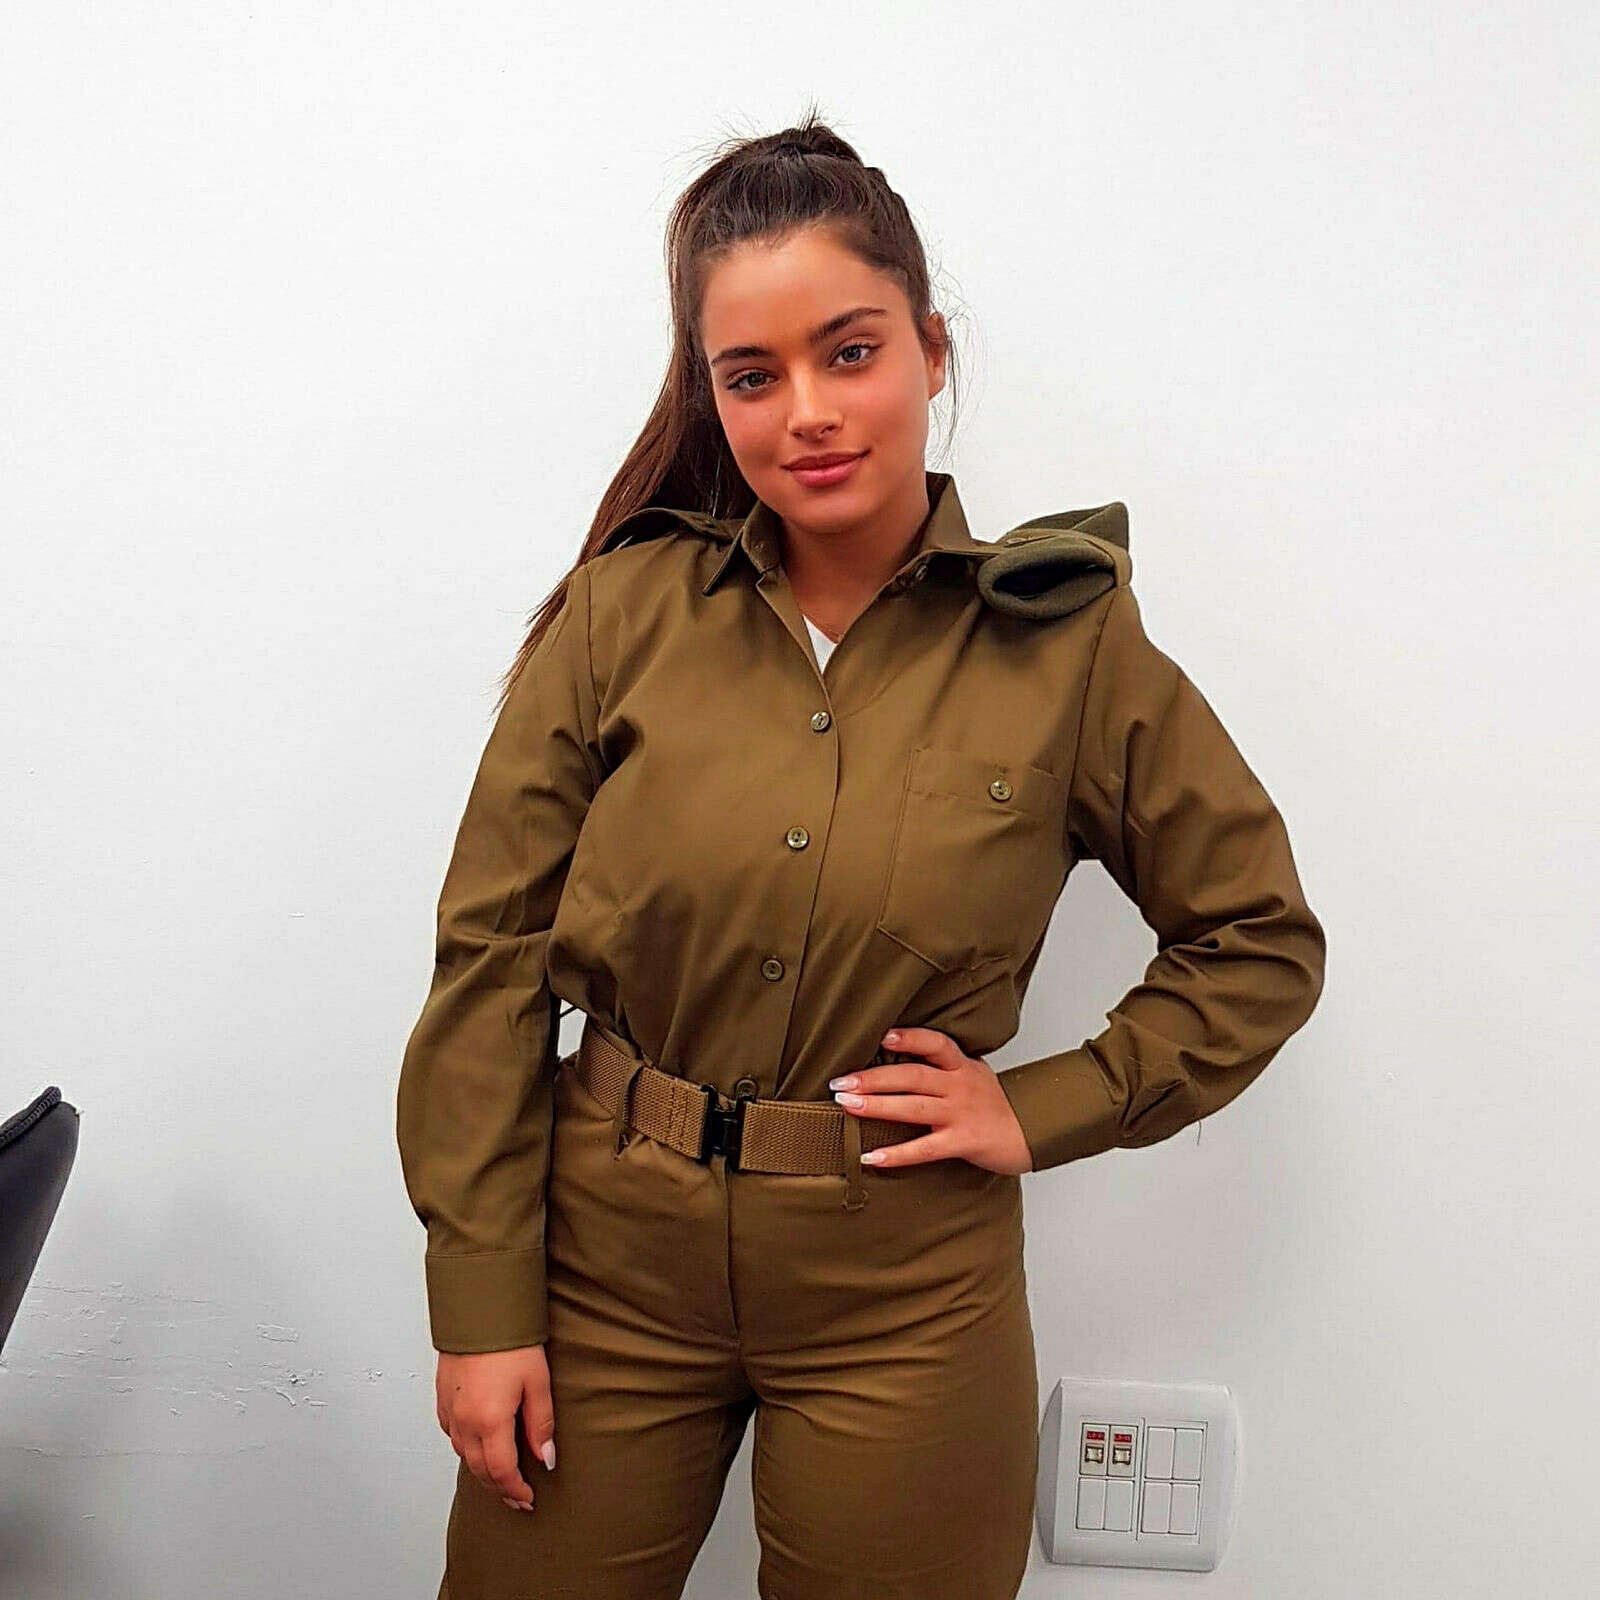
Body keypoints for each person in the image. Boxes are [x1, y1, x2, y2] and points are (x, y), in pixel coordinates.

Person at [395, 112, 1327, 1600]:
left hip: (906, 1297)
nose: (808, 414)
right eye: (751, 376)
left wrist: (1048, 1105)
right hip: (602, 1273)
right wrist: (482, 1299)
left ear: (932, 352)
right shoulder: (623, 615)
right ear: (710, 395)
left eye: (851, 351)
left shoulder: (1069, 649)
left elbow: (1258, 940)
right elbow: (490, 964)